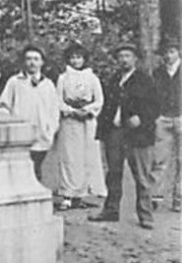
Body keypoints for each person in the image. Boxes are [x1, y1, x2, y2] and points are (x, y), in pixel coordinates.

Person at [91, 43, 159, 230]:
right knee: (113, 173)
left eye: (127, 56)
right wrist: (103, 130)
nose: (124, 59)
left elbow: (155, 106)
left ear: (135, 58)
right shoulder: (114, 79)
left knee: (141, 176)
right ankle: (111, 210)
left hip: (138, 135)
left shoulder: (145, 80)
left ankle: (145, 215)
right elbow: (107, 106)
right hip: (115, 133)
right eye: (121, 56)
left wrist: (142, 118)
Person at [0, 46, 60, 181]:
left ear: (42, 62)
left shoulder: (48, 84)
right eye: (29, 59)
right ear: (23, 62)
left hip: (41, 135)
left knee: (37, 171)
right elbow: (3, 105)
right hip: (20, 135)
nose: (32, 63)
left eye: (36, 59)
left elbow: (54, 111)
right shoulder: (14, 82)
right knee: (19, 172)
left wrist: (50, 130)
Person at [54, 43, 106, 209]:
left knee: (86, 156)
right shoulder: (63, 78)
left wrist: (87, 110)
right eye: (73, 57)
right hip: (70, 121)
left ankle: (82, 194)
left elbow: (99, 100)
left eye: (79, 57)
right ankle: (67, 195)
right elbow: (58, 100)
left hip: (87, 121)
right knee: (70, 156)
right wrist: (70, 111)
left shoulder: (92, 78)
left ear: (84, 59)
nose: (76, 61)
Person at [151, 36, 181, 213]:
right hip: (163, 118)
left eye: (172, 52)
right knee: (159, 159)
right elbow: (152, 96)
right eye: (165, 53)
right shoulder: (158, 72)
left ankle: (179, 199)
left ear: (178, 52)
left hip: (181, 116)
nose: (168, 56)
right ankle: (156, 196)